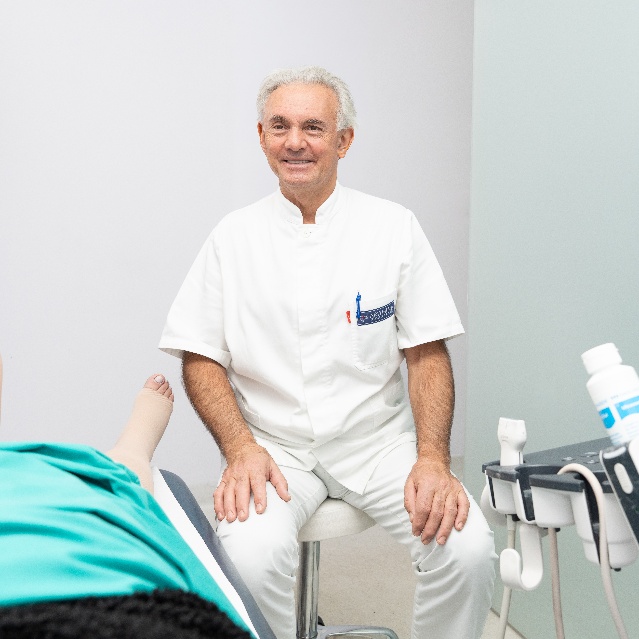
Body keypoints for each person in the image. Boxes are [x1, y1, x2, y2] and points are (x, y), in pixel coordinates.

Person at [159, 66, 496, 639]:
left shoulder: (393, 227)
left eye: (313, 127)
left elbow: (427, 353)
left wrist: (433, 459)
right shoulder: (232, 238)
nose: (295, 142)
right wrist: (239, 448)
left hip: (379, 442)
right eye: (280, 126)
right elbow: (199, 356)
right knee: (248, 559)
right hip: (273, 447)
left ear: (344, 140)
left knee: (467, 550)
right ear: (261, 136)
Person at [0, 355, 274, 639]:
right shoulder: (46, 471)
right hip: (123, 604)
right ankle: (132, 448)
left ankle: (131, 450)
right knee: (112, 484)